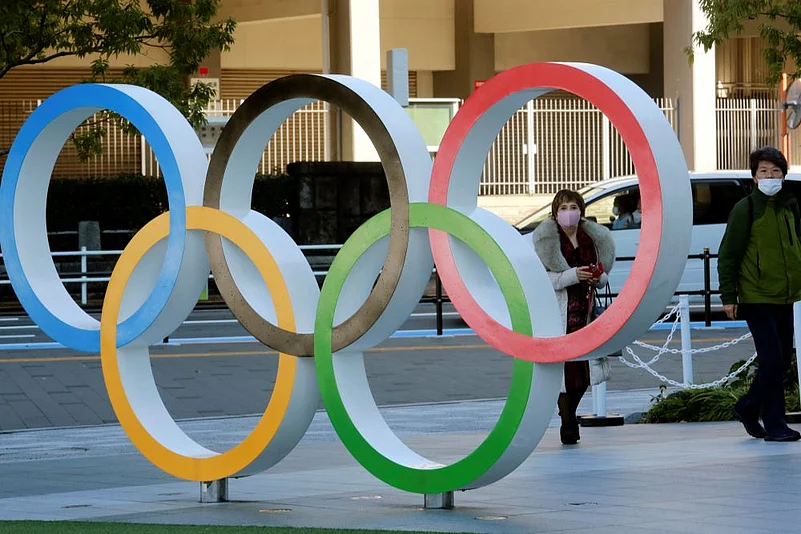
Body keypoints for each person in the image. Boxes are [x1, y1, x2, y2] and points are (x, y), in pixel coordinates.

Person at [718, 146, 801, 442]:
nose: (770, 177)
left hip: (785, 294)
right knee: (772, 358)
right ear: (754, 177)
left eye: (775, 172)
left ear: (783, 176)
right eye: (764, 172)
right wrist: (729, 295)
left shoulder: (790, 206)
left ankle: (748, 407)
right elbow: (728, 254)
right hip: (755, 295)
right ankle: (775, 424)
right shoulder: (746, 209)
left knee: (782, 359)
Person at [533, 189, 615, 445]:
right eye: (563, 208)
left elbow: (604, 275)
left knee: (582, 374)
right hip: (558, 312)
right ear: (555, 212)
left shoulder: (592, 237)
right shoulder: (546, 241)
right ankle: (568, 422)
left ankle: (568, 412)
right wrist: (573, 275)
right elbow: (541, 279)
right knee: (564, 373)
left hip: (585, 312)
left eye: (573, 207)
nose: (569, 213)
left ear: (581, 210)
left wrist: (597, 277)